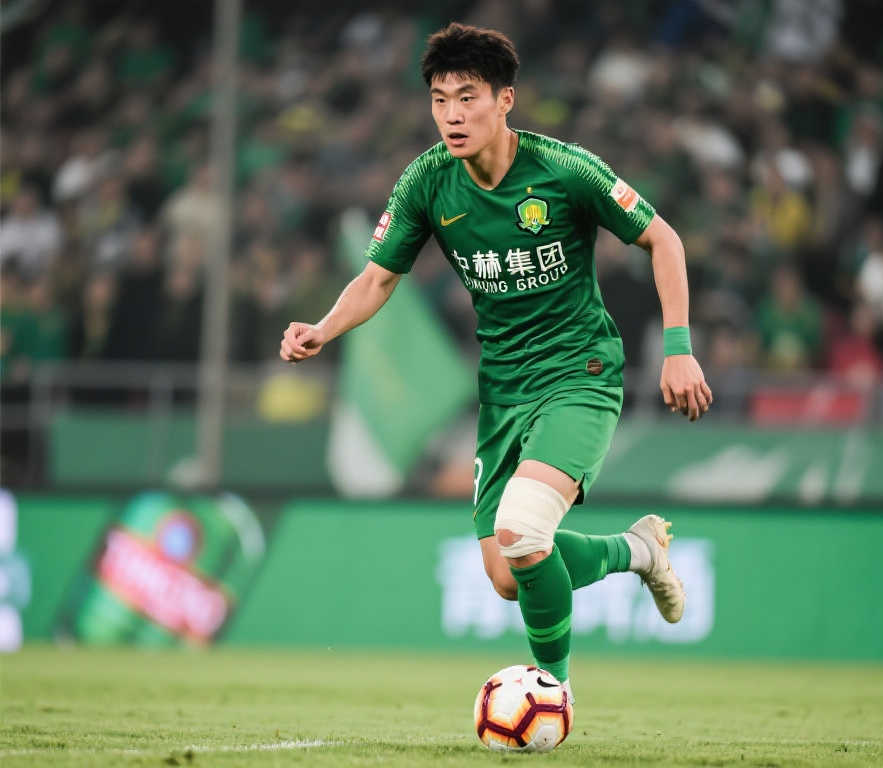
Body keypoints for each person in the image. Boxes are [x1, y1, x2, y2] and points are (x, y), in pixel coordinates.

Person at [280, 23, 712, 700]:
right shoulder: (427, 182)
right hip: (504, 391)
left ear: (505, 100)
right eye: (439, 99)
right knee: (511, 574)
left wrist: (679, 348)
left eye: (468, 97)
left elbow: (665, 241)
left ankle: (553, 693)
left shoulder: (565, 170)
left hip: (579, 376)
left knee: (522, 531)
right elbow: (378, 278)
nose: (452, 115)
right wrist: (325, 328)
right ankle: (639, 551)